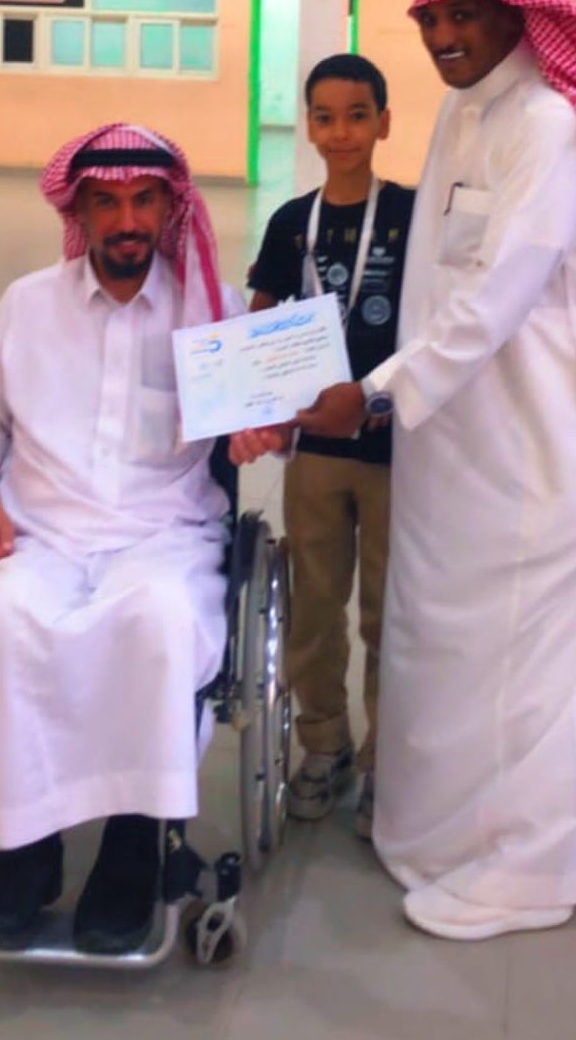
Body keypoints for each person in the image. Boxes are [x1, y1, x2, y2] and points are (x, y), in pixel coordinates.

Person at [289, 0, 576, 940]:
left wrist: (371, 395)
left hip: (544, 456)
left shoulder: (550, 127)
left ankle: (530, 871)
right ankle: (442, 836)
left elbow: (495, 298)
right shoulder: (463, 114)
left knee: (540, 677)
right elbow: (438, 284)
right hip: (461, 451)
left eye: (463, 13)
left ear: (518, 12)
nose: (442, 35)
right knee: (461, 655)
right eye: (429, 19)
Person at [0, 123, 246, 954]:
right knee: (2, 624)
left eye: (144, 200)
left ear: (170, 208)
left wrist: (264, 428)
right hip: (41, 533)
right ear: (77, 212)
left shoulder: (210, 312)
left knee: (155, 623)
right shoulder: (27, 304)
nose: (127, 220)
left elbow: (264, 425)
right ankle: (25, 846)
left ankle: (132, 845)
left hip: (164, 536)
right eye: (105, 203)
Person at [240, 54, 414, 840]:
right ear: (307, 125)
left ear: (384, 121)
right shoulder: (290, 222)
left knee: (388, 611)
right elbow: (260, 321)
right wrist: (256, 406)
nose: (340, 132)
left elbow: (443, 323)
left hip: (396, 451)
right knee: (314, 605)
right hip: (315, 455)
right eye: (324, 117)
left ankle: (385, 759)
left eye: (357, 115)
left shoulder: (413, 216)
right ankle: (324, 743)